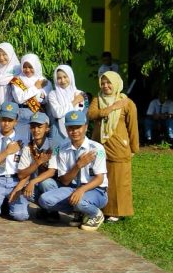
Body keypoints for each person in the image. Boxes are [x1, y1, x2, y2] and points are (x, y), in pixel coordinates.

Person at [39, 111, 109, 231]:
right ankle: (79, 212)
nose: (74, 131)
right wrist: (78, 165)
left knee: (79, 201)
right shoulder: (61, 148)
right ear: (66, 129)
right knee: (44, 200)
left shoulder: (97, 148)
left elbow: (99, 179)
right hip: (72, 188)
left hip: (96, 190)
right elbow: (65, 181)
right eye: (71, 128)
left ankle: (95, 214)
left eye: (78, 127)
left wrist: (81, 190)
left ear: (86, 127)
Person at [87, 71, 139, 222]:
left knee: (118, 180)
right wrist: (111, 108)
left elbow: (133, 127)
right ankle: (101, 207)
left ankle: (116, 212)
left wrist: (134, 148)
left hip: (119, 147)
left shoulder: (127, 103)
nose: (105, 86)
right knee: (100, 177)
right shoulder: (97, 99)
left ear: (116, 83)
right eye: (103, 83)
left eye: (109, 82)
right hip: (99, 146)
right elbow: (91, 115)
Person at [8, 112, 60, 222]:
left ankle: (53, 210)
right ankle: (44, 208)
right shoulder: (28, 147)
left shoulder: (53, 145)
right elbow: (21, 174)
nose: (36, 130)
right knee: (23, 190)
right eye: (33, 127)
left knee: (46, 183)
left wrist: (32, 182)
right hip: (35, 185)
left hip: (52, 185)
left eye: (40, 127)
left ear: (47, 128)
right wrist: (37, 162)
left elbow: (51, 172)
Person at [11, 54, 50, 143]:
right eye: (24, 67)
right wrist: (36, 88)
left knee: (36, 143)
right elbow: (19, 99)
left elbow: (45, 99)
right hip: (22, 115)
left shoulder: (44, 81)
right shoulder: (17, 80)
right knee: (20, 142)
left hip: (38, 114)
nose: (27, 70)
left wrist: (27, 94)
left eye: (30, 67)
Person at [47, 65, 88, 148]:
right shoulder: (52, 94)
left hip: (77, 132)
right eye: (59, 78)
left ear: (70, 76)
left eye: (65, 77)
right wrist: (74, 102)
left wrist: (64, 110)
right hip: (58, 132)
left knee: (76, 154)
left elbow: (83, 113)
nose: (62, 80)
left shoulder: (81, 94)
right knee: (56, 154)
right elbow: (57, 113)